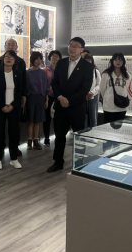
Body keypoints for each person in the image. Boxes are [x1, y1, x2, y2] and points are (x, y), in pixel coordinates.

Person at [47, 38, 93, 173]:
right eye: (70, 45)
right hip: (61, 106)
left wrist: (69, 100)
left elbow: (84, 89)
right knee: (59, 136)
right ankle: (58, 162)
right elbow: (55, 82)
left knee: (79, 136)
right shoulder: (61, 63)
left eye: (76, 46)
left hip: (77, 107)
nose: (72, 48)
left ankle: (79, 164)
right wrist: (60, 97)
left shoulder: (87, 66)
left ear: (81, 50)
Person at [0, 50, 25, 170]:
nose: (8, 59)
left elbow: (19, 92)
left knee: (14, 133)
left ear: (15, 60)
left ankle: (14, 159)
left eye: (11, 57)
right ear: (3, 59)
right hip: (0, 107)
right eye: (6, 57)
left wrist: (13, 105)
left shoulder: (18, 74)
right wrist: (2, 106)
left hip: (13, 108)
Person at [0, 38, 28, 111]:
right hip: (0, 99)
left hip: (15, 100)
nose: (10, 47)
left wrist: (24, 95)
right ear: (5, 47)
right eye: (9, 44)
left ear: (17, 47)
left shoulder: (21, 62)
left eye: (13, 45)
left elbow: (24, 80)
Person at [26, 52, 51, 151]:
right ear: (32, 60)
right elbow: (25, 87)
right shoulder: (27, 73)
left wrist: (46, 99)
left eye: (40, 59)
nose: (38, 61)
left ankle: (36, 141)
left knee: (37, 121)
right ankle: (29, 142)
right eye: (36, 59)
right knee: (30, 121)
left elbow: (46, 87)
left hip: (41, 98)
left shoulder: (43, 73)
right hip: (30, 98)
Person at [99, 53, 131, 124]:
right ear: (112, 61)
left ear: (123, 62)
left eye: (120, 60)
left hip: (122, 106)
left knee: (120, 127)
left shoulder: (127, 75)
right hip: (109, 106)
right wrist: (107, 98)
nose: (118, 62)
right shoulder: (106, 74)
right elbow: (102, 89)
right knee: (108, 126)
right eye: (116, 60)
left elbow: (128, 89)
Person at [43, 50, 62, 146]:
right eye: (53, 56)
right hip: (48, 96)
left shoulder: (61, 69)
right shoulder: (45, 70)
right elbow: (43, 83)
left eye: (57, 56)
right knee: (47, 118)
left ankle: (57, 137)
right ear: (50, 58)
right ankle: (46, 138)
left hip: (58, 97)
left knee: (58, 118)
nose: (55, 58)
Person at [83, 54, 102, 128]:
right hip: (83, 96)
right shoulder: (81, 70)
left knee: (93, 117)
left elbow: (99, 84)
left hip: (93, 96)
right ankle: (83, 132)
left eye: (89, 60)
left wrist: (92, 92)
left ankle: (93, 132)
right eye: (86, 60)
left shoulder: (96, 71)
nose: (88, 61)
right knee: (83, 117)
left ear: (92, 61)